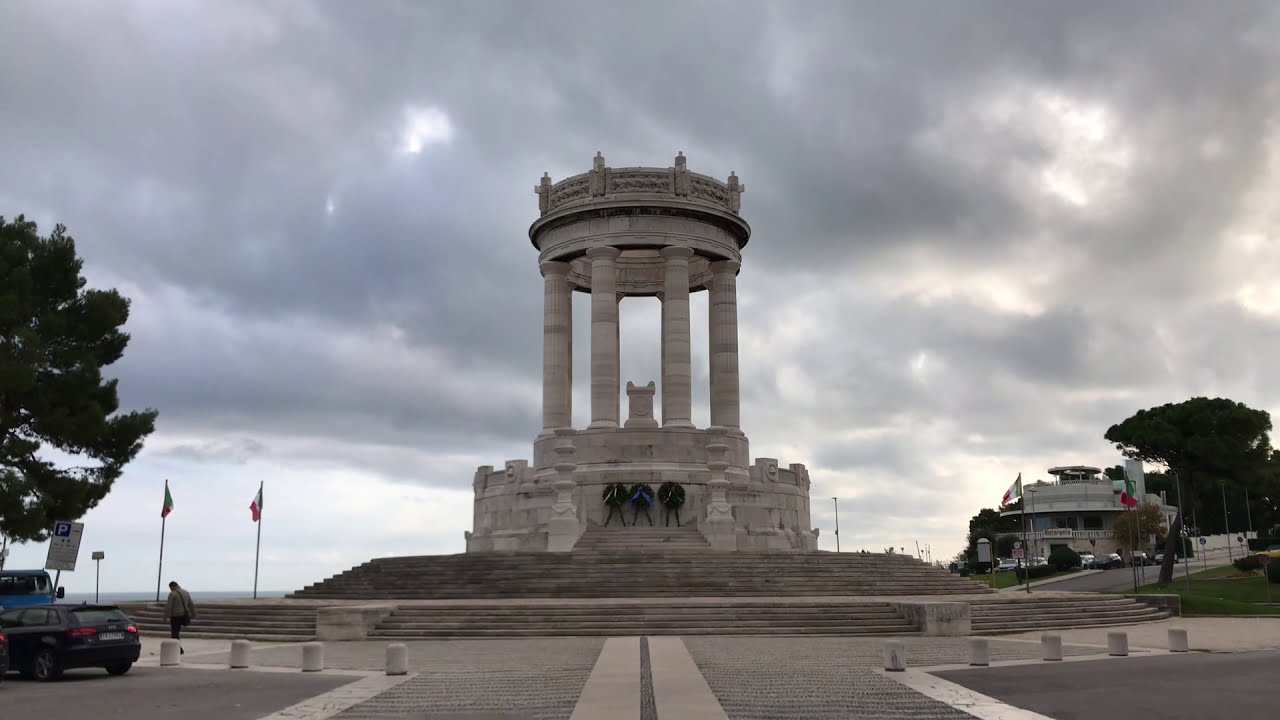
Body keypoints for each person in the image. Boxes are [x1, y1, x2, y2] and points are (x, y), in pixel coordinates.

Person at [164, 580, 197, 652]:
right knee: (177, 633)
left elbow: (169, 607)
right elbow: (191, 604)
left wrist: (165, 617)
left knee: (174, 633)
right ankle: (178, 648)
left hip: (175, 617)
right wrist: (194, 614)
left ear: (171, 587)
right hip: (184, 615)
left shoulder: (172, 594)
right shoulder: (186, 593)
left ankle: (178, 649)